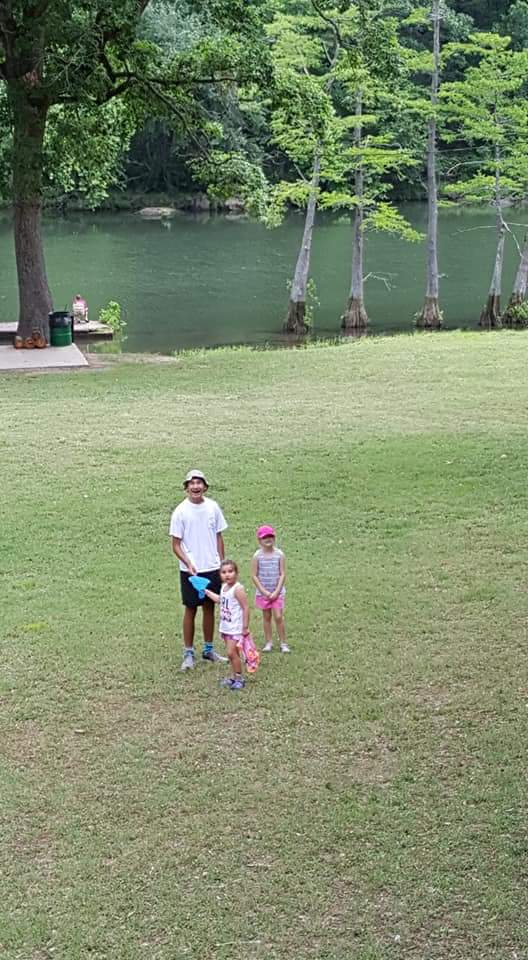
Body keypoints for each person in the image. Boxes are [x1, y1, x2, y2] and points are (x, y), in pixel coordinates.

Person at [170, 469, 228, 671]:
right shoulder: (180, 512)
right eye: (191, 483)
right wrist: (188, 563)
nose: (195, 486)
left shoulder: (213, 507)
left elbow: (218, 536)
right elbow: (175, 544)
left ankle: (209, 649)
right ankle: (188, 652)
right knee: (191, 608)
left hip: (212, 567)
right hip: (191, 571)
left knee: (210, 607)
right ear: (186, 488)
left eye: (199, 483)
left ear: (205, 486)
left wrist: (222, 563)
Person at [203, 559, 253, 690]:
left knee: (231, 653)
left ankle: (239, 678)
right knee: (232, 654)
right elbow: (221, 600)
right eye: (224, 572)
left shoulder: (238, 589)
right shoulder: (224, 587)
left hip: (235, 628)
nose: (227, 575)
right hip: (226, 627)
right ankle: (233, 677)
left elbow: (245, 607)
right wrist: (208, 593)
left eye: (230, 571)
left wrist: (245, 626)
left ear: (236, 573)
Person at [251, 525, 289, 653]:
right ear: (259, 540)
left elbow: (282, 574)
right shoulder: (257, 556)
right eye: (264, 537)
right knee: (266, 617)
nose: (268, 539)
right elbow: (254, 575)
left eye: (270, 536)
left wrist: (277, 591)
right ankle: (269, 642)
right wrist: (264, 592)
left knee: (278, 617)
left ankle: (283, 643)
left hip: (277, 592)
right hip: (264, 593)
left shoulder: (279, 554)